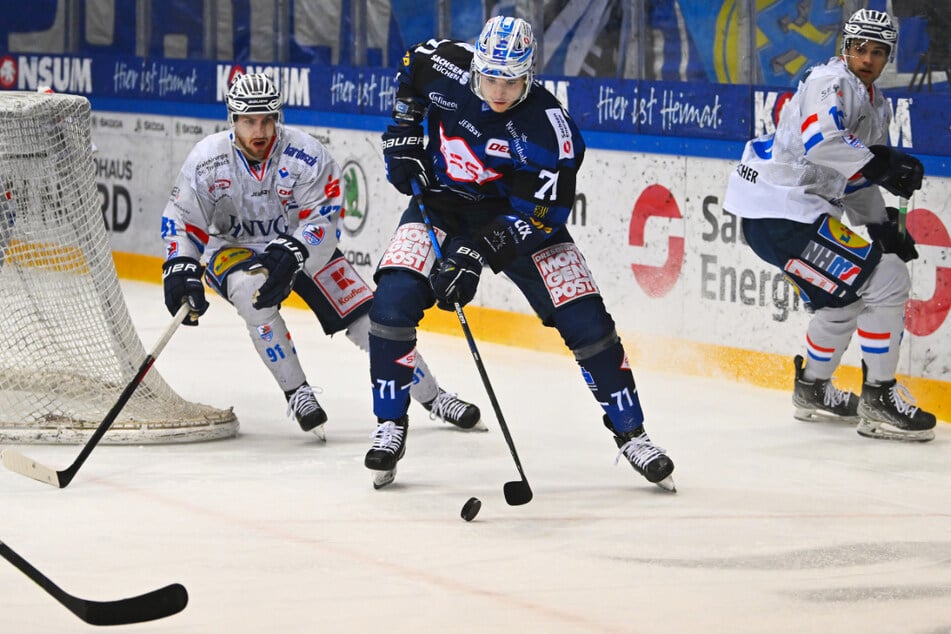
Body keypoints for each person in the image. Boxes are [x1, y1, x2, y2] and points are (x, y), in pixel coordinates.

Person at [364, 16, 676, 490]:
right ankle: (390, 425)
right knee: (392, 300)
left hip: (518, 222)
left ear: (530, 74)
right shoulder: (444, 63)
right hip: (443, 206)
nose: (498, 90)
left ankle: (632, 433)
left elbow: (540, 217)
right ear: (476, 64)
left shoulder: (550, 130)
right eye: (489, 76)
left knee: (587, 321)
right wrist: (404, 134)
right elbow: (411, 72)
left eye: (511, 81)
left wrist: (472, 254)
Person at [160, 73, 481, 440]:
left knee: (371, 321)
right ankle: (298, 392)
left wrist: (296, 249)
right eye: (249, 121)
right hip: (233, 249)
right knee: (253, 293)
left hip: (302, 246)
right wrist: (180, 264)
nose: (260, 129)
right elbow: (183, 220)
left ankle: (434, 396)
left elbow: (324, 219)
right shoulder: (207, 160)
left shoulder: (305, 153)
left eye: (267, 119)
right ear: (232, 120)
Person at [723, 9, 936, 441]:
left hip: (783, 216)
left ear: (888, 56)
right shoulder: (830, 81)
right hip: (782, 213)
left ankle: (813, 390)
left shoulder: (874, 103)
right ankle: (878, 398)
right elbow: (824, 143)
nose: (869, 59)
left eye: (879, 52)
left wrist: (880, 225)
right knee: (889, 279)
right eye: (861, 49)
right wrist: (884, 163)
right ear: (846, 47)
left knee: (840, 303)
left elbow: (852, 177)